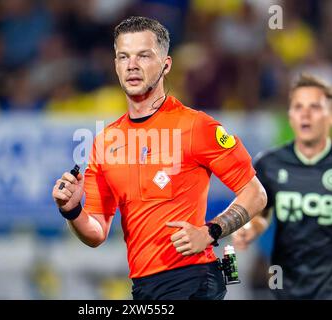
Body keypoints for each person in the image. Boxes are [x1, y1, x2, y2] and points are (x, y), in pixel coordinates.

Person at [52, 16, 267, 300]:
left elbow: (256, 193)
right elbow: (95, 233)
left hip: (193, 278)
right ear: (115, 65)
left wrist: (210, 231)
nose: (132, 65)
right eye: (123, 57)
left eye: (144, 56)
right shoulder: (106, 142)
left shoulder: (195, 126)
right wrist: (72, 210)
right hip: (144, 288)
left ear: (165, 65)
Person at [233, 73, 332, 299]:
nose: (305, 114)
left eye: (315, 107)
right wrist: (250, 230)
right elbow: (262, 213)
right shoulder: (269, 164)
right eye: (298, 107)